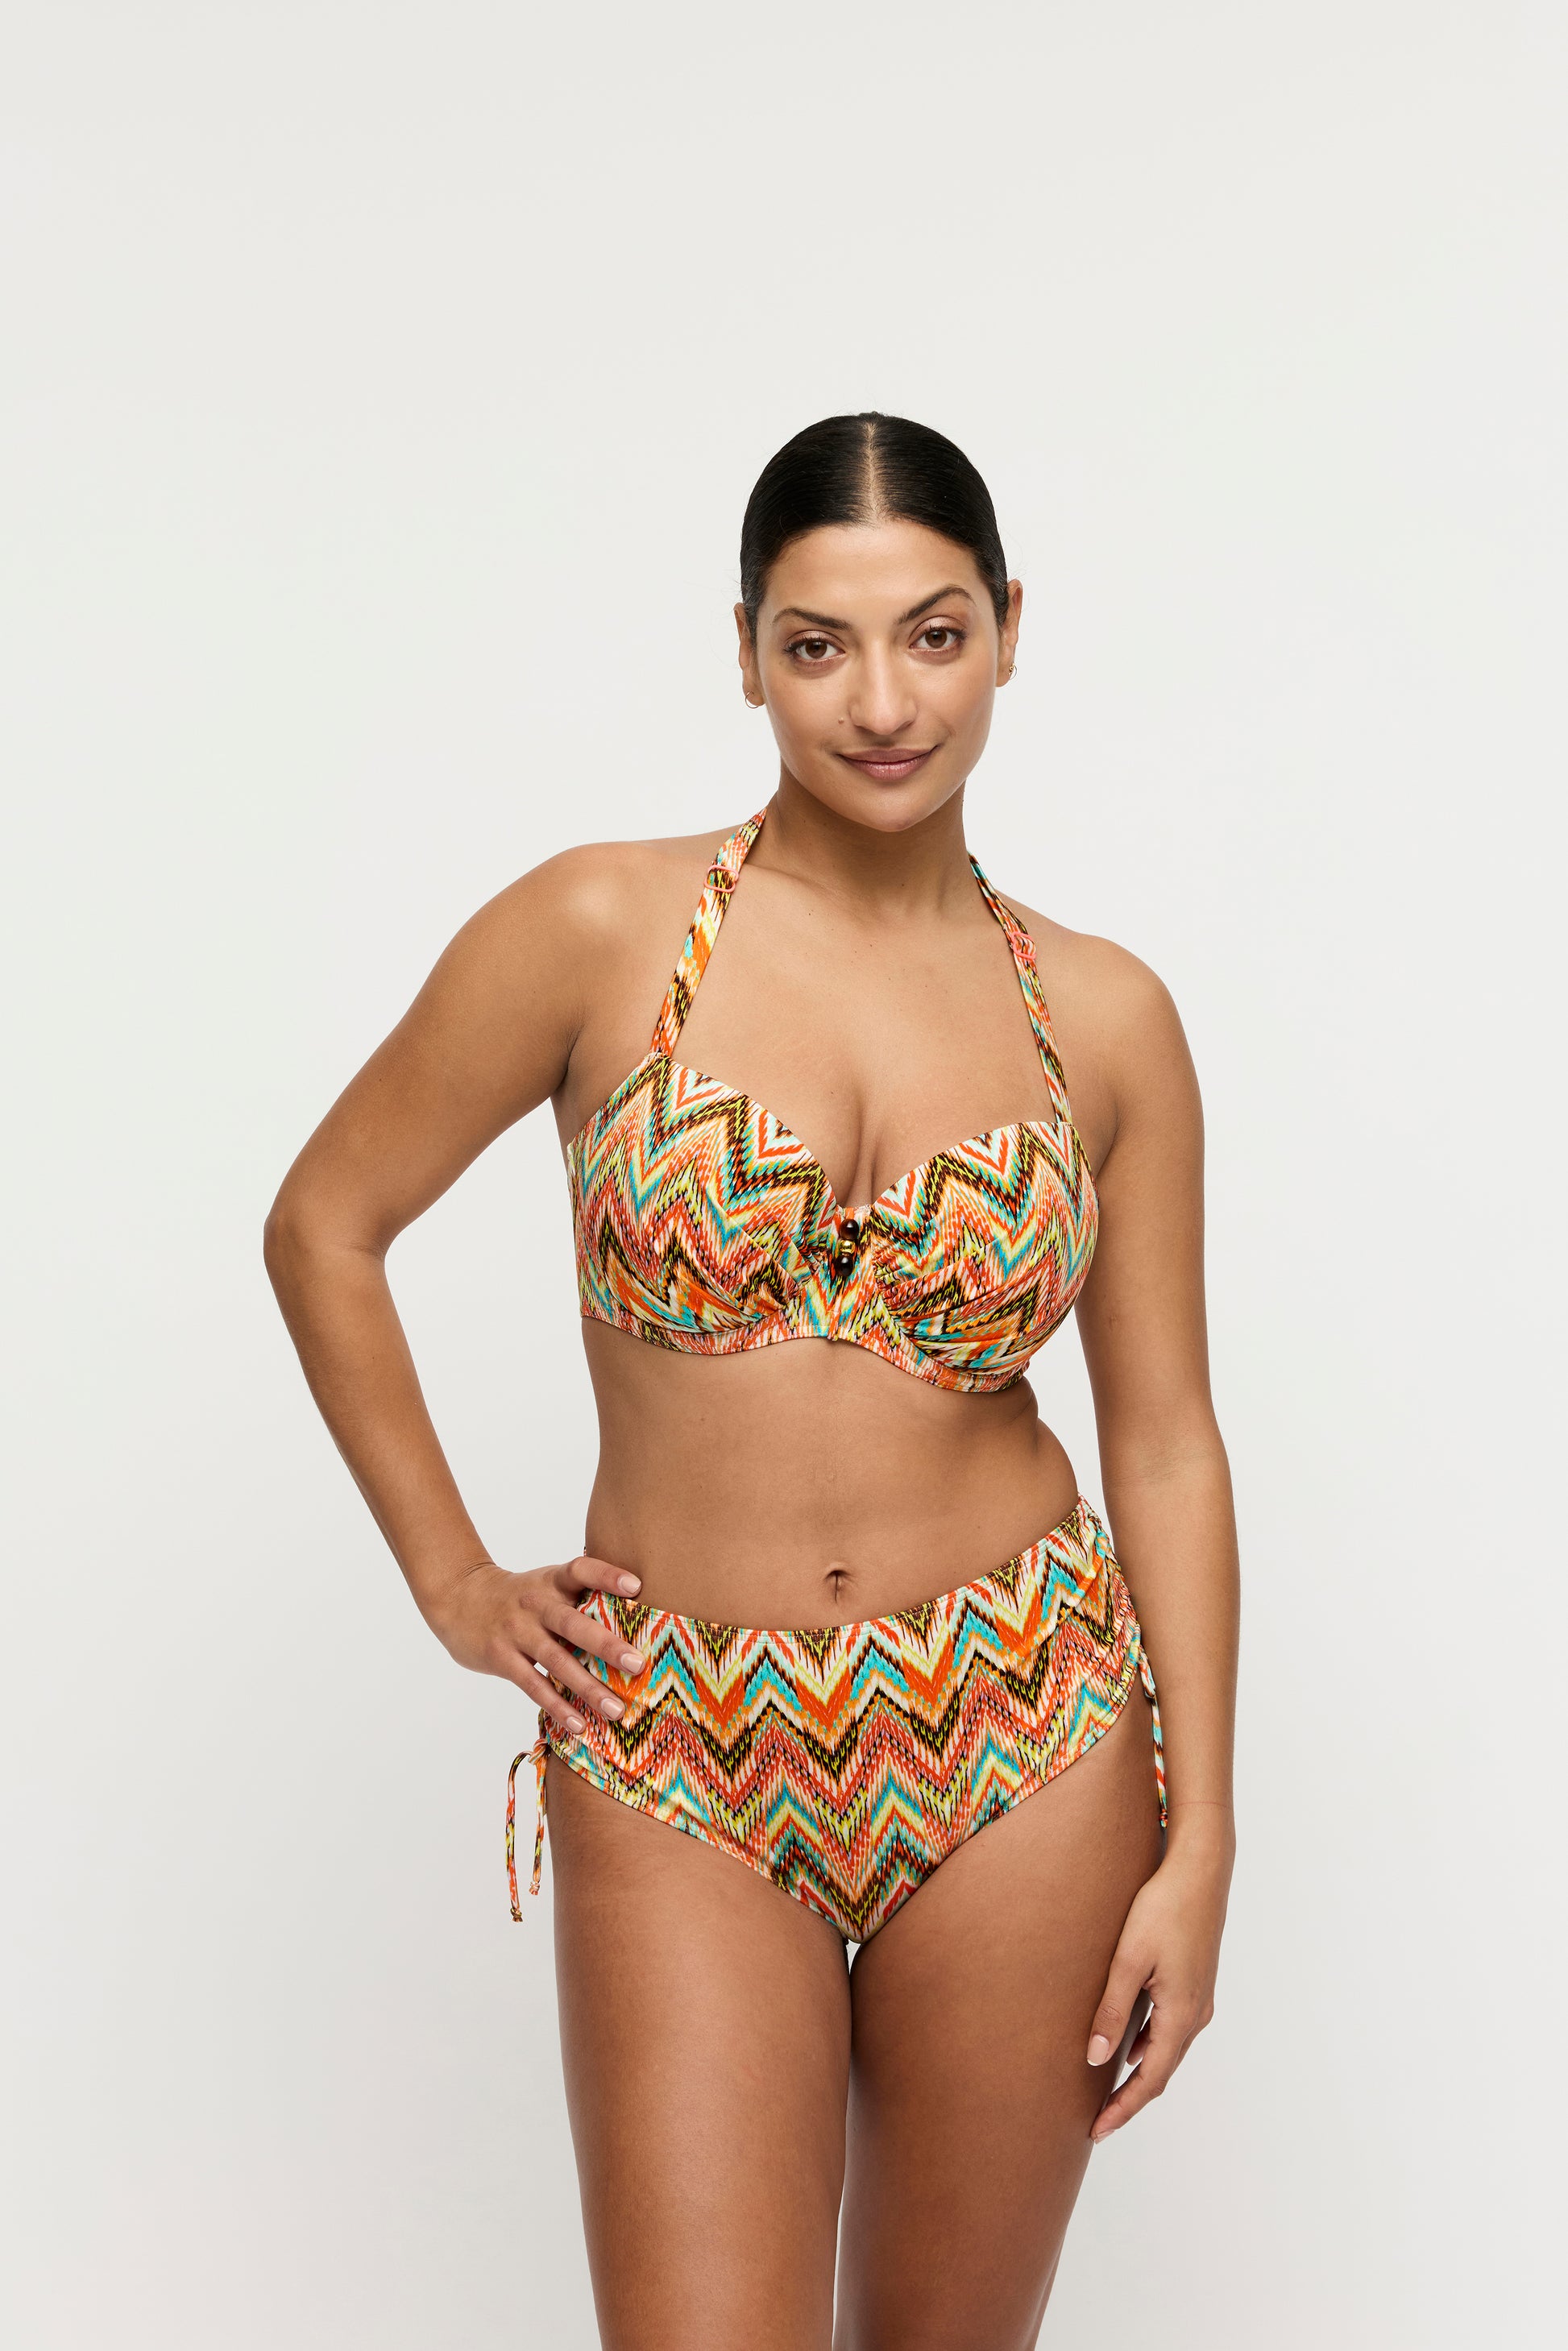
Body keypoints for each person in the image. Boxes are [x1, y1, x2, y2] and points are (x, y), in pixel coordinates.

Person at [265, 411, 1239, 2350]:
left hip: (1029, 1728)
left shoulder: (1106, 1015)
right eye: (818, 645)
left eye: (934, 635)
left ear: (1009, 628)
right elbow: (326, 1225)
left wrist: (1199, 1834)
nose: (882, 702)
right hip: (674, 1742)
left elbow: (1164, 1441)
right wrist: (454, 1578)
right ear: (744, 653)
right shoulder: (598, 931)